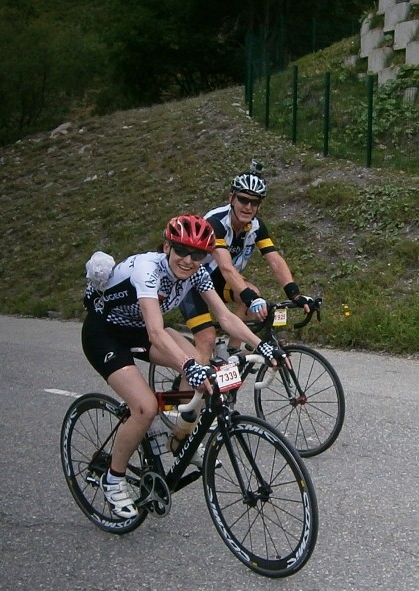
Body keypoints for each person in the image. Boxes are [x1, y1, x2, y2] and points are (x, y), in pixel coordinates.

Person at [81, 214, 283, 519]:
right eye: (181, 251)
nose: (189, 261)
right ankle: (114, 477)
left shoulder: (197, 273)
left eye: (198, 255)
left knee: (201, 366)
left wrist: (263, 345)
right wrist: (188, 365)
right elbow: (156, 333)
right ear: (167, 247)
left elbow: (226, 317)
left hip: (138, 328)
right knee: (146, 406)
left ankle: (177, 441)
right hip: (105, 334)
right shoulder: (147, 270)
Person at [179, 162, 315, 361]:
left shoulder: (256, 226)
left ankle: (232, 353)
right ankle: (189, 386)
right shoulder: (215, 223)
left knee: (253, 294)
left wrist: (294, 294)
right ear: (231, 198)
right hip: (191, 284)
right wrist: (251, 299)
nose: (248, 207)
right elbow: (226, 267)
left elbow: (275, 260)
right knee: (207, 339)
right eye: (243, 199)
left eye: (255, 202)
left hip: (217, 281)